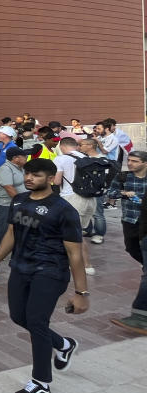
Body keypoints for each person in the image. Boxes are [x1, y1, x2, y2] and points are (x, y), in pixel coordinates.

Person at [0, 158, 88, 393]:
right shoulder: (19, 200)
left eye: (37, 175)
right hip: (20, 267)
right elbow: (12, 233)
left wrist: (81, 293)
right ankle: (63, 344)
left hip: (50, 271)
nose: (30, 178)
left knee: (36, 321)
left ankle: (41, 383)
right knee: (18, 317)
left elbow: (75, 253)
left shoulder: (64, 210)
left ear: (51, 178)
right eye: (28, 174)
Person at [106, 150, 147, 334]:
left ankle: (140, 316)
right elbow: (111, 192)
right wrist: (124, 193)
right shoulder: (123, 176)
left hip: (145, 224)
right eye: (129, 160)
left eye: (135, 161)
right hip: (130, 220)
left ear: (145, 163)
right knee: (131, 249)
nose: (130, 163)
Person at [53, 137, 96, 275]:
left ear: (61, 146)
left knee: (71, 234)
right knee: (79, 233)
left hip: (71, 198)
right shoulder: (85, 157)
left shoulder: (61, 159)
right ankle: (85, 265)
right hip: (90, 199)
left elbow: (57, 181)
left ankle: (83, 264)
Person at [0, 146, 29, 251]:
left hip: (20, 202)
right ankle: (0, 247)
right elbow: (9, 188)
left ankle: (15, 246)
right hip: (7, 203)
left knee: (19, 225)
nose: (26, 158)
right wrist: (21, 201)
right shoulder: (5, 168)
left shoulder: (21, 168)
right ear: (16, 158)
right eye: (24, 156)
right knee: (4, 226)